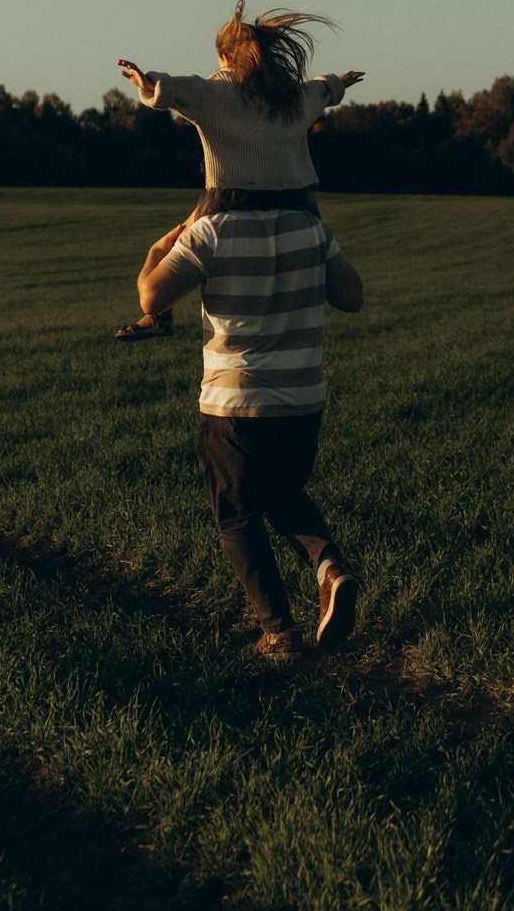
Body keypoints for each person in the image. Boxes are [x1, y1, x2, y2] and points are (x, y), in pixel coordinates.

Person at [133, 193, 364, 658]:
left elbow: (152, 296)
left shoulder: (211, 231)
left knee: (236, 516)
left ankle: (279, 634)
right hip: (303, 400)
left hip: (234, 404)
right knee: (282, 494)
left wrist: (158, 252)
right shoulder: (310, 228)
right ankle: (329, 568)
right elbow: (352, 298)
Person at [114, 2, 363, 340]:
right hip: (295, 199)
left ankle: (159, 316)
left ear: (226, 58)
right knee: (315, 249)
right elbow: (318, 92)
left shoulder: (213, 90)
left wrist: (147, 84)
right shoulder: (287, 96)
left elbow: (172, 90)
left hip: (230, 196)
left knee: (178, 240)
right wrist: (338, 83)